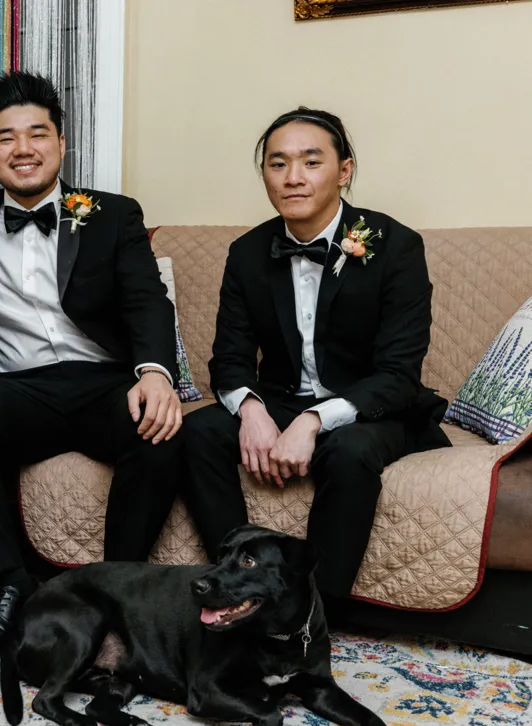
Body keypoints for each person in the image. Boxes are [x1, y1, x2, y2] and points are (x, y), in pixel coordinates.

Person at [0, 72, 185, 663]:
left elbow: (145, 302)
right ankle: (10, 586)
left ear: (61, 144)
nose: (23, 148)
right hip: (14, 390)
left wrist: (156, 373)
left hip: (103, 384)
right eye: (6, 137)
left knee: (161, 428)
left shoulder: (112, 214)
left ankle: (114, 591)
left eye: (37, 134)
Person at [180, 107, 451, 601]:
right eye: (277, 164)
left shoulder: (396, 246)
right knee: (198, 432)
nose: (293, 178)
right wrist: (252, 410)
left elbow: (398, 373)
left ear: (344, 171)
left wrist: (311, 422)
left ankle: (315, 612)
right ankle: (240, 587)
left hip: (373, 407)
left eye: (311, 162)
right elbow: (230, 358)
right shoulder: (247, 252)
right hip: (281, 396)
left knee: (347, 453)